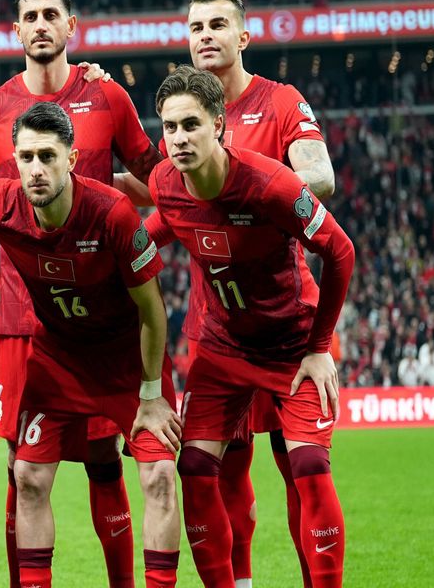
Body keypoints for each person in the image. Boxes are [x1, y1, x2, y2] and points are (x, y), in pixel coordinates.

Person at [0, 102, 182, 588]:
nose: (36, 169)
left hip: (127, 364)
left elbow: (153, 311)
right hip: (58, 361)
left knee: (159, 477)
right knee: (26, 477)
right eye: (26, 157)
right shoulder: (1, 202)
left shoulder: (112, 213)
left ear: (71, 159)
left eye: (47, 156)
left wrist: (151, 395)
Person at [0, 0, 162, 587]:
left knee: (105, 455)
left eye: (52, 14)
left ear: (71, 26)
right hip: (23, 320)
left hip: (101, 319)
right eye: (32, 16)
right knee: (22, 465)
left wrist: (138, 217)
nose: (42, 25)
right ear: (16, 30)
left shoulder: (108, 97)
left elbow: (159, 181)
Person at [148, 66, 353, 588]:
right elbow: (149, 236)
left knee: (308, 468)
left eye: (191, 124)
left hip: (291, 346)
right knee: (195, 469)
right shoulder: (164, 183)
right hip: (222, 349)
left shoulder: (271, 184)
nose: (179, 138)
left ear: (218, 125)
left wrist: (319, 347)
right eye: (170, 127)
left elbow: (340, 250)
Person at [185, 0, 337, 588]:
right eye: (196, 28)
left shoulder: (280, 102)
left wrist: (245, 192)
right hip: (217, 326)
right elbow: (163, 186)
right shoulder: (184, 111)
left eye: (217, 25)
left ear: (243, 36)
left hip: (282, 323)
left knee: (296, 465)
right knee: (225, 468)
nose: (206, 37)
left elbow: (319, 178)